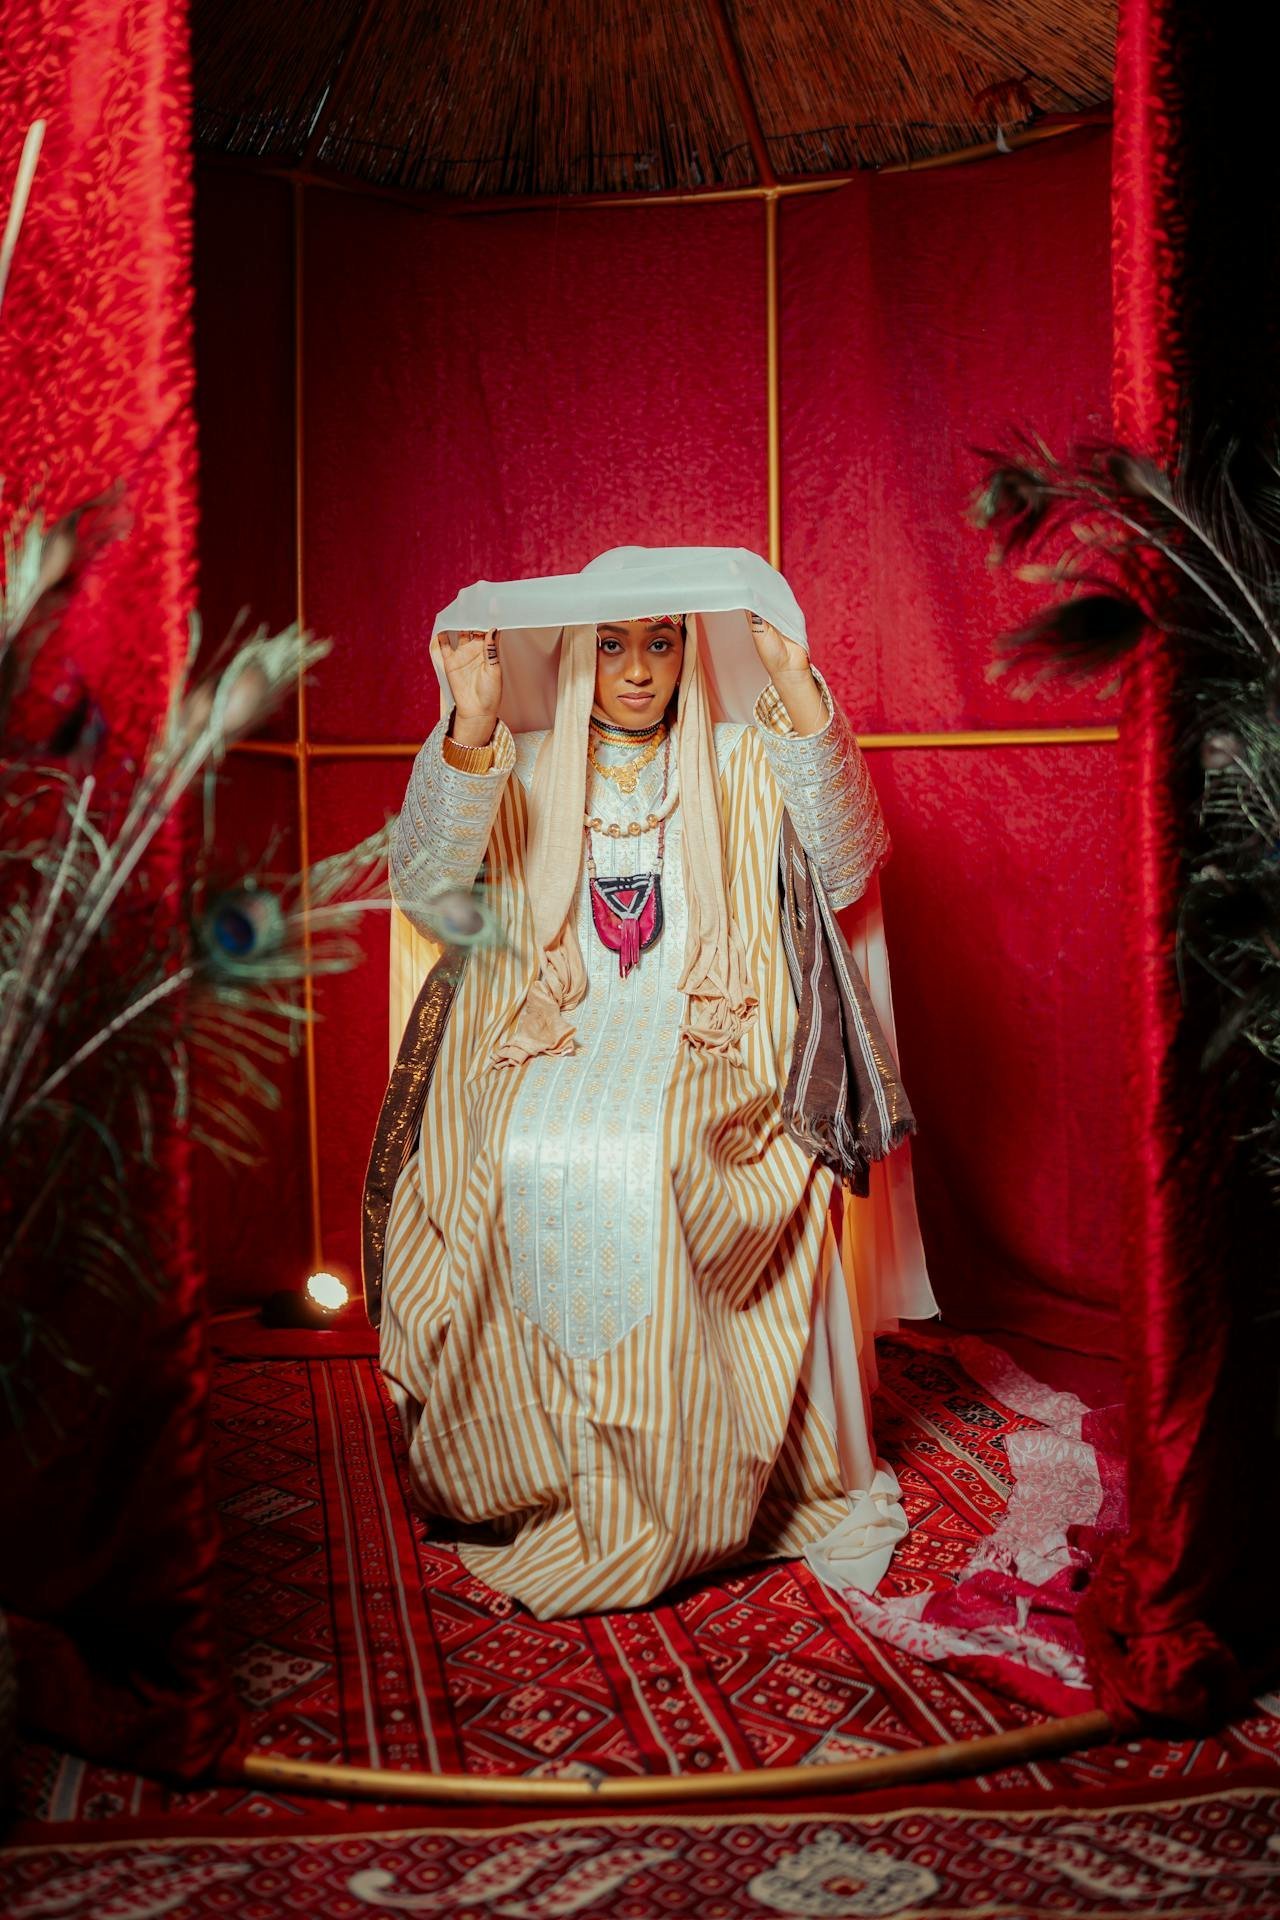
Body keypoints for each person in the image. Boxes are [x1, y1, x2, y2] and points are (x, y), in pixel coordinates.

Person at [374, 547, 934, 1619]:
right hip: (549, 1022)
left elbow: (848, 865)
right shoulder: (520, 762)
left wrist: (797, 689)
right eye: (613, 645)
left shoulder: (739, 752)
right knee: (511, 1143)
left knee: (653, 1148)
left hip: (710, 1027)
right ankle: (533, 1462)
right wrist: (471, 718)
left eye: (661, 643)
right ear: (577, 654)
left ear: (689, 651)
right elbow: (425, 887)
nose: (637, 671)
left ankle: (683, 1463)